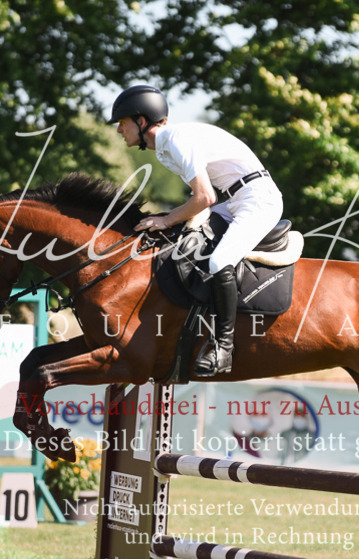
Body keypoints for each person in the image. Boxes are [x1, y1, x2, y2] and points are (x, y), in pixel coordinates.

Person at [109, 84, 283, 377]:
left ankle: (223, 348)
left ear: (141, 121)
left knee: (218, 262)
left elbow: (205, 197)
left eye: (122, 123)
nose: (118, 131)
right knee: (184, 237)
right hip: (236, 199)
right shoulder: (166, 146)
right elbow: (203, 200)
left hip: (258, 200)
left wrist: (167, 219)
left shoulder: (176, 140)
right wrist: (171, 220)